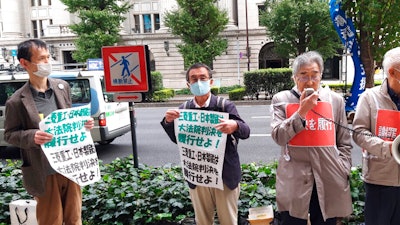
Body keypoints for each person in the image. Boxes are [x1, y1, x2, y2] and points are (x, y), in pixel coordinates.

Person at [4, 39, 94, 225]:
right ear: (24, 63)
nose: (47, 62)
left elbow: (68, 119)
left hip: (71, 166)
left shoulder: (62, 87)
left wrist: (82, 124)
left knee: (74, 219)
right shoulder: (16, 101)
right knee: (50, 220)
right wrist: (31, 136)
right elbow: (10, 134)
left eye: (48, 57)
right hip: (43, 170)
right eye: (42, 58)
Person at [160, 62, 250, 225]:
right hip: (198, 174)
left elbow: (246, 131)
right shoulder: (184, 109)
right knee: (202, 221)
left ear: (211, 81)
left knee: (229, 220)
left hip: (225, 175)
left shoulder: (224, 105)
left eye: (203, 78)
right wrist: (168, 122)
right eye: (193, 79)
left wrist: (234, 126)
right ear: (188, 85)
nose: (198, 82)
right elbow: (178, 139)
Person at [270, 51, 352, 224]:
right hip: (294, 178)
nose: (309, 81)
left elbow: (344, 142)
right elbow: (278, 136)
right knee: (292, 219)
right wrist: (302, 112)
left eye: (314, 76)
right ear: (294, 77)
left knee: (325, 219)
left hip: (329, 176)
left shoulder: (335, 100)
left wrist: (343, 168)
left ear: (321, 75)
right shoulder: (282, 100)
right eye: (303, 76)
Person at [352, 46, 400, 225]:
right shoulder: (369, 98)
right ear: (392, 72)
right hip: (379, 180)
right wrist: (386, 147)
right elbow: (359, 133)